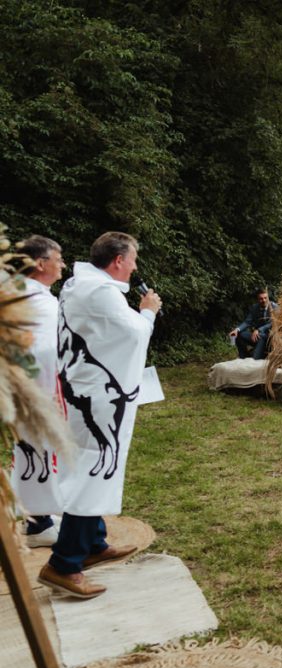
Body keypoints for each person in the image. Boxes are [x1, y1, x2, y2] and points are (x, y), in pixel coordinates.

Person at [39, 232, 161, 599]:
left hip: (84, 390)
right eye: (134, 259)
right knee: (94, 471)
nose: (136, 266)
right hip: (97, 399)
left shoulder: (79, 284)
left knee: (95, 466)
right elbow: (134, 335)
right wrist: (148, 310)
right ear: (119, 260)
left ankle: (93, 543)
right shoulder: (102, 293)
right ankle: (64, 564)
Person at [12, 236, 65, 548]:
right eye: (57, 259)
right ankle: (38, 526)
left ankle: (38, 516)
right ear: (40, 264)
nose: (62, 264)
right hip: (37, 388)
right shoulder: (36, 300)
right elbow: (44, 349)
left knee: (34, 452)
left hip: (27, 386)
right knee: (37, 450)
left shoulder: (25, 294)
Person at [231, 288, 277, 360]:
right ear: (258, 299)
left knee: (254, 360)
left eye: (265, 298)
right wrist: (237, 329)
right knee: (239, 335)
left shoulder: (274, 307)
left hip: (269, 339)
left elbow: (273, 323)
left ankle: (256, 356)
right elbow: (247, 322)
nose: (264, 300)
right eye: (261, 299)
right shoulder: (255, 307)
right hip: (256, 337)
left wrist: (259, 330)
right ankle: (243, 357)